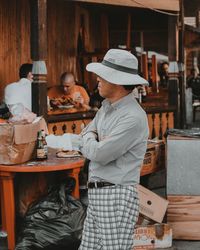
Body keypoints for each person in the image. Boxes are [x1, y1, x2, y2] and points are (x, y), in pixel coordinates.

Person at [76, 49, 149, 250]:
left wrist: (91, 141)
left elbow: (100, 154)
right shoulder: (107, 106)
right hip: (101, 192)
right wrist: (93, 139)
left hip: (116, 194)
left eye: (103, 76)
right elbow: (87, 134)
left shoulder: (132, 116)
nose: (98, 79)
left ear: (116, 81)